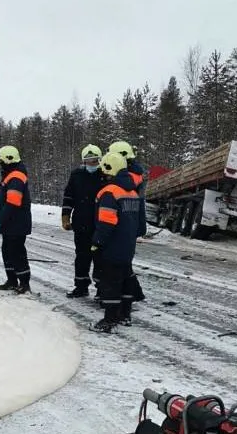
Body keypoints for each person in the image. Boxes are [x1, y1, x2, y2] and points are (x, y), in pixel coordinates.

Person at [91, 152, 141, 333]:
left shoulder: (109, 192)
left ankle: (109, 319)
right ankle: (125, 314)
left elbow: (107, 222)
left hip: (112, 245)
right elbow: (140, 223)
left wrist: (97, 241)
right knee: (126, 278)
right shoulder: (132, 192)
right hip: (127, 245)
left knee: (110, 281)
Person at [61, 144, 106, 298]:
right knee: (81, 256)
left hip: (100, 224)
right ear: (83, 161)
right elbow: (69, 196)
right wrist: (65, 216)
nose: (92, 164)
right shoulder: (77, 175)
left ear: (99, 160)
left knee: (100, 258)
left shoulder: (105, 175)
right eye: (88, 161)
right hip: (81, 223)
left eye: (94, 161)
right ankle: (81, 286)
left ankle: (102, 289)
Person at [108, 140, 147, 302]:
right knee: (125, 263)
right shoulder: (136, 174)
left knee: (119, 264)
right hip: (132, 221)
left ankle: (124, 298)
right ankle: (133, 294)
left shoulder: (127, 177)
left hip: (124, 221)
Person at [0, 145, 32, 294]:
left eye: (1, 160)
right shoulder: (10, 174)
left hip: (17, 222)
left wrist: (0, 220)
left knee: (17, 252)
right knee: (7, 251)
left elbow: (13, 202)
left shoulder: (16, 176)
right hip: (11, 222)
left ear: (8, 160)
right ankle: (12, 280)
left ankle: (24, 283)